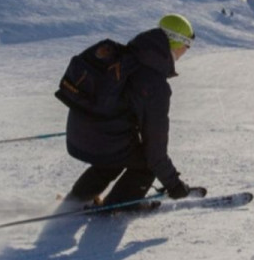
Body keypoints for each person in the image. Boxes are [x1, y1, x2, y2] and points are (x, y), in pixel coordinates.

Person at [63, 14, 196, 211]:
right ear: (177, 42)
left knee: (115, 157)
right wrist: (174, 185)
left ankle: (75, 200)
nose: (186, 50)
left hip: (79, 133)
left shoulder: (131, 54)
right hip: (101, 139)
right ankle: (116, 207)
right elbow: (155, 151)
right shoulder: (154, 83)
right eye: (187, 45)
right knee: (145, 163)